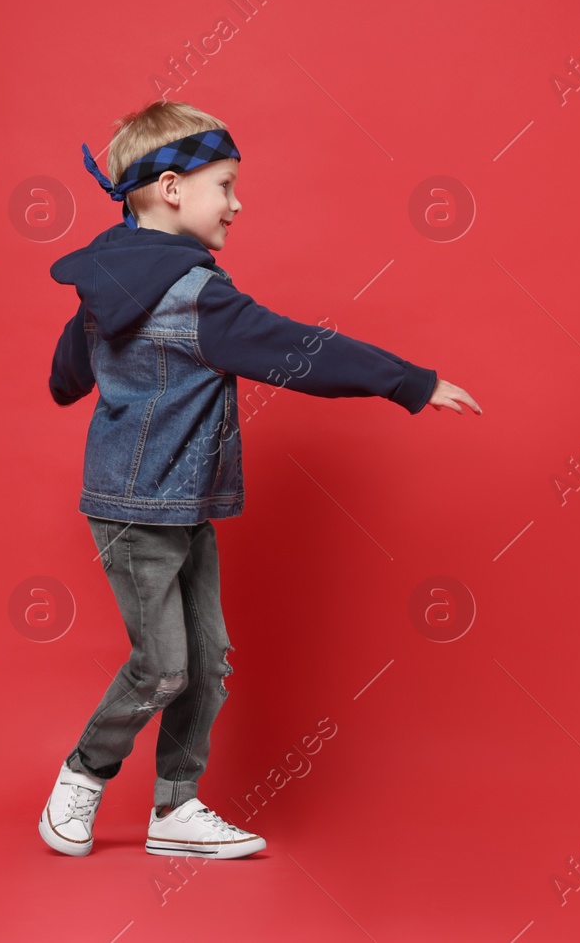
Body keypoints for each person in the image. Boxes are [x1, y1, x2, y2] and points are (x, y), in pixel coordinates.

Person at [38, 99, 482, 859]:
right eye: (226, 184)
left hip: (181, 503)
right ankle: (83, 773)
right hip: (134, 510)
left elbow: (65, 380)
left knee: (206, 662)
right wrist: (409, 380)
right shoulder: (199, 295)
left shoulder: (104, 282)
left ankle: (174, 808)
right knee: (163, 666)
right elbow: (299, 350)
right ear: (173, 189)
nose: (238, 203)